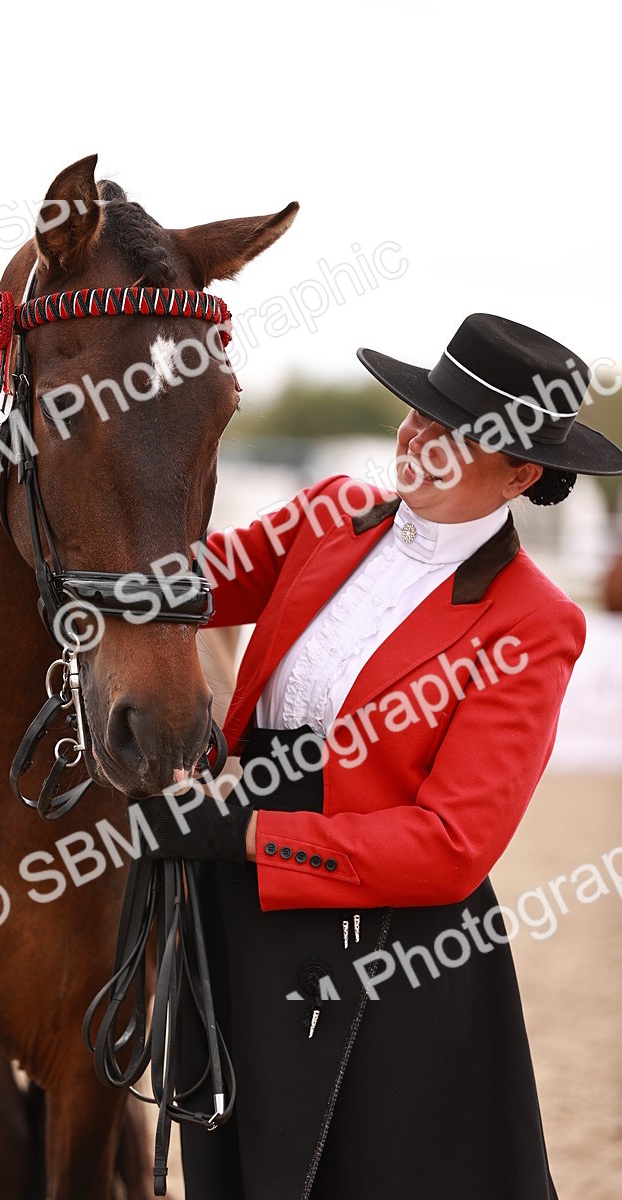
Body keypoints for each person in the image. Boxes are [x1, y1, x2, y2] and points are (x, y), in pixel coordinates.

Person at [136, 313, 622, 1199]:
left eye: (457, 433)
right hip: (237, 905)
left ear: (518, 473)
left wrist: (245, 835)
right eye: (420, 412)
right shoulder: (329, 514)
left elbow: (449, 848)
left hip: (385, 949)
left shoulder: (534, 623)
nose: (420, 440)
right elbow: (187, 584)